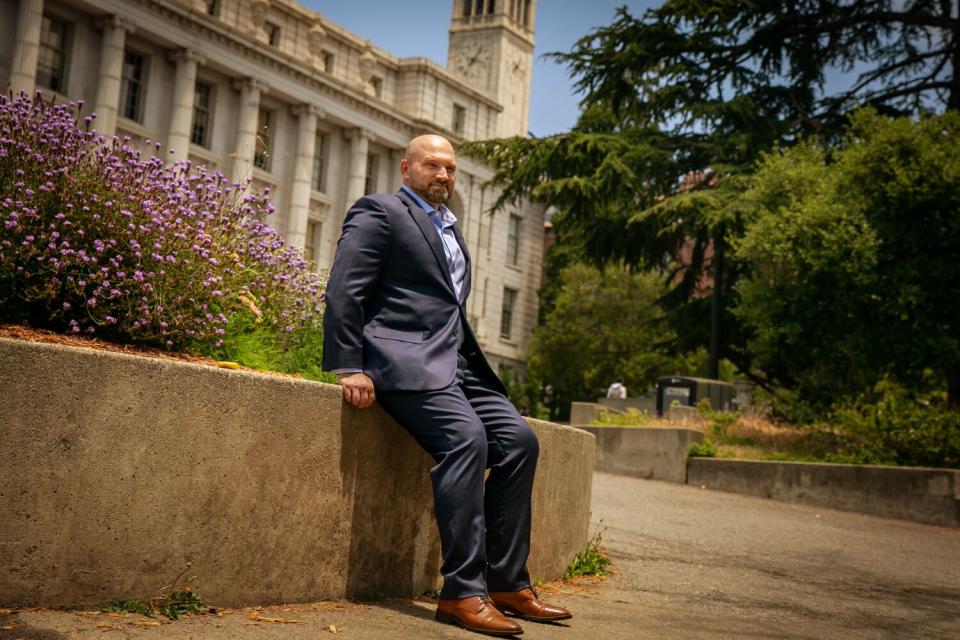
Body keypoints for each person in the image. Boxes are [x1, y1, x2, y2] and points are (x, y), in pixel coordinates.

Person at [322, 134, 571, 637]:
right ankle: (462, 591)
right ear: (405, 168)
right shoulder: (381, 211)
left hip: (458, 365)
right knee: (466, 440)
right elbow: (344, 289)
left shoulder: (450, 228)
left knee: (520, 442)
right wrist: (349, 365)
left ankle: (507, 582)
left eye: (450, 168)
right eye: (432, 165)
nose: (443, 175)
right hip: (403, 363)